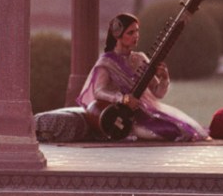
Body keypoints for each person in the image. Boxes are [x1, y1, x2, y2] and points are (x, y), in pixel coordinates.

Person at [77, 12, 209, 141]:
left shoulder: (140, 58)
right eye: (131, 33)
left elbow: (158, 93)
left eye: (137, 31)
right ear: (118, 35)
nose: (136, 36)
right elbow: (98, 91)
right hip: (121, 117)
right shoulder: (107, 62)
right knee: (157, 133)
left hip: (145, 113)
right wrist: (123, 99)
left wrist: (164, 78)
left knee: (180, 129)